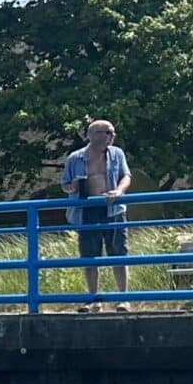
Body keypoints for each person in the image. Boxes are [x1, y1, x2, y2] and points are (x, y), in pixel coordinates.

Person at [61, 119, 132, 306]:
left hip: (113, 209)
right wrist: (73, 187)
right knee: (90, 257)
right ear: (92, 135)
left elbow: (126, 176)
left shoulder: (117, 154)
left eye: (112, 132)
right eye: (107, 132)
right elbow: (64, 185)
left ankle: (123, 299)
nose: (112, 136)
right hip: (86, 211)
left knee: (118, 254)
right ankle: (93, 299)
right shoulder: (74, 158)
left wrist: (119, 191)